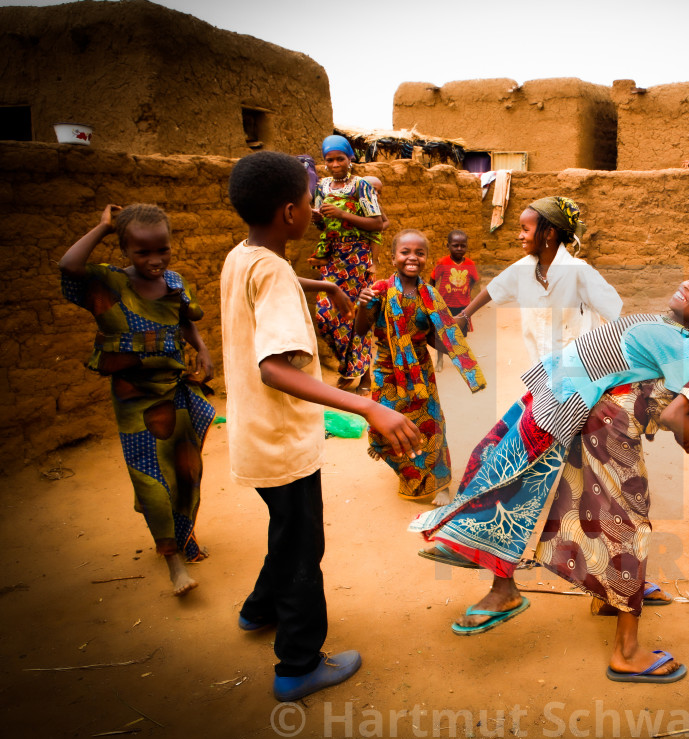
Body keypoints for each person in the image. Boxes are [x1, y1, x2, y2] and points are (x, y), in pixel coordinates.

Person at [411, 268, 689, 683]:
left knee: (550, 497)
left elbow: (675, 410)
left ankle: (551, 592)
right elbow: (680, 417)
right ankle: (625, 651)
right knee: (618, 522)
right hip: (598, 423)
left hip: (584, 411)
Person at [221, 151, 420, 702]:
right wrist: (367, 408)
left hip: (253, 434)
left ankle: (258, 610)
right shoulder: (274, 272)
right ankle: (298, 664)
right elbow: (274, 367)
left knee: (286, 530)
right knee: (304, 544)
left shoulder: (245, 255)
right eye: (310, 202)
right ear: (290, 211)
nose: (314, 209)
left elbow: (270, 282)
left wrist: (320, 286)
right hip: (281, 442)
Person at [60, 203, 215, 597]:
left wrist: (203, 350)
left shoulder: (175, 281)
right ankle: (173, 562)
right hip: (134, 401)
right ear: (124, 250)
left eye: (162, 249)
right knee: (151, 477)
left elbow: (185, 319)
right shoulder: (109, 284)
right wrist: (103, 227)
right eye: (141, 252)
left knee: (186, 471)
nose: (155, 260)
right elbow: (69, 266)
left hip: (175, 390)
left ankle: (184, 536)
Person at [356, 230, 485, 506]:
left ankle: (440, 484)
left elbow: (432, 340)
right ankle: (407, 472)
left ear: (426, 258)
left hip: (421, 372)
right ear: (394, 258)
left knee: (432, 426)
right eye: (405, 252)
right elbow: (360, 329)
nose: (412, 257)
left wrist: (453, 336)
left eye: (419, 253)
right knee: (383, 426)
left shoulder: (430, 296)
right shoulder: (379, 291)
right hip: (386, 370)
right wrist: (362, 306)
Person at [453, 196, 623, 364]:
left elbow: (613, 312)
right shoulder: (523, 269)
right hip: (540, 369)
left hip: (578, 369)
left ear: (548, 233)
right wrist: (464, 316)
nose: (520, 236)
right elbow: (494, 288)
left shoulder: (578, 272)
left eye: (525, 230)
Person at [309, 134, 389, 394]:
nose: (334, 164)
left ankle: (364, 376)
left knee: (357, 317)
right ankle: (349, 367)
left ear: (349, 159)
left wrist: (344, 214)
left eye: (339, 159)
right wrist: (316, 218)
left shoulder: (361, 186)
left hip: (356, 258)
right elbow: (322, 224)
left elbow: (377, 223)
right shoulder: (322, 187)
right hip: (333, 257)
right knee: (326, 316)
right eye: (329, 160)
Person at [429, 229, 479, 372]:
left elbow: (474, 280)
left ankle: (460, 359)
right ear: (448, 246)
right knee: (441, 334)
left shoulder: (470, 264)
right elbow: (432, 279)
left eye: (462, 246)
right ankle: (439, 360)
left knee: (459, 335)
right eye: (455, 245)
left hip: (462, 306)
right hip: (444, 305)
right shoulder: (443, 262)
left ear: (466, 247)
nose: (459, 248)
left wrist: (467, 293)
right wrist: (430, 298)